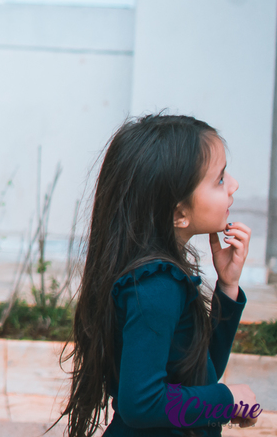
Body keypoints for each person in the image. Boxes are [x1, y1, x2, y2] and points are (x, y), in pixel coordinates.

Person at [60, 114, 258, 436]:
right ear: (180, 213)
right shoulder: (156, 287)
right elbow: (141, 403)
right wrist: (227, 400)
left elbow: (200, 372)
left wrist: (228, 285)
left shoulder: (162, 278)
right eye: (220, 179)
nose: (233, 185)